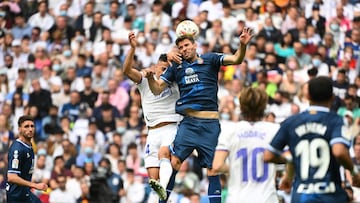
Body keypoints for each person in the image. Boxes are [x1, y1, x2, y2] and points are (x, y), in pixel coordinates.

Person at [144, 27, 254, 203]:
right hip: (188, 123)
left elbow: (236, 58)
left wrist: (242, 45)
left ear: (195, 45)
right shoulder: (176, 67)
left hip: (210, 125)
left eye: (187, 45)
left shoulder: (210, 59)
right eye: (180, 47)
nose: (184, 49)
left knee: (212, 169)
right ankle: (162, 201)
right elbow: (157, 89)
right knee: (174, 163)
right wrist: (150, 77)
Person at [264, 76, 360, 203]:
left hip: (301, 196)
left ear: (307, 96)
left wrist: (291, 159)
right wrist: (354, 172)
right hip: (329, 195)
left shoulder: (291, 122)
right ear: (332, 97)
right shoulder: (336, 120)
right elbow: (339, 151)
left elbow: (268, 156)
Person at [123, 32, 181, 201]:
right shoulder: (144, 79)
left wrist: (172, 54)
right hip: (152, 132)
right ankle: (162, 197)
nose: (164, 72)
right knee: (153, 180)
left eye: (167, 69)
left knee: (165, 153)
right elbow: (126, 70)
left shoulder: (175, 80)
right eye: (161, 68)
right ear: (155, 67)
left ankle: (163, 192)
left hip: (171, 126)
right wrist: (133, 48)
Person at [212, 87, 280, 203]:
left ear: (241, 106)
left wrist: (236, 167)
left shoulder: (229, 129)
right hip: (267, 198)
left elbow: (217, 165)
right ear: (264, 106)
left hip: (237, 198)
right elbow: (289, 158)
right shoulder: (274, 130)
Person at [6, 115, 48, 203]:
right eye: (26, 126)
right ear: (19, 129)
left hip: (25, 192)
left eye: (32, 126)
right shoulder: (17, 149)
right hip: (16, 196)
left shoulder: (29, 146)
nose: (30, 129)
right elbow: (12, 177)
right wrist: (34, 185)